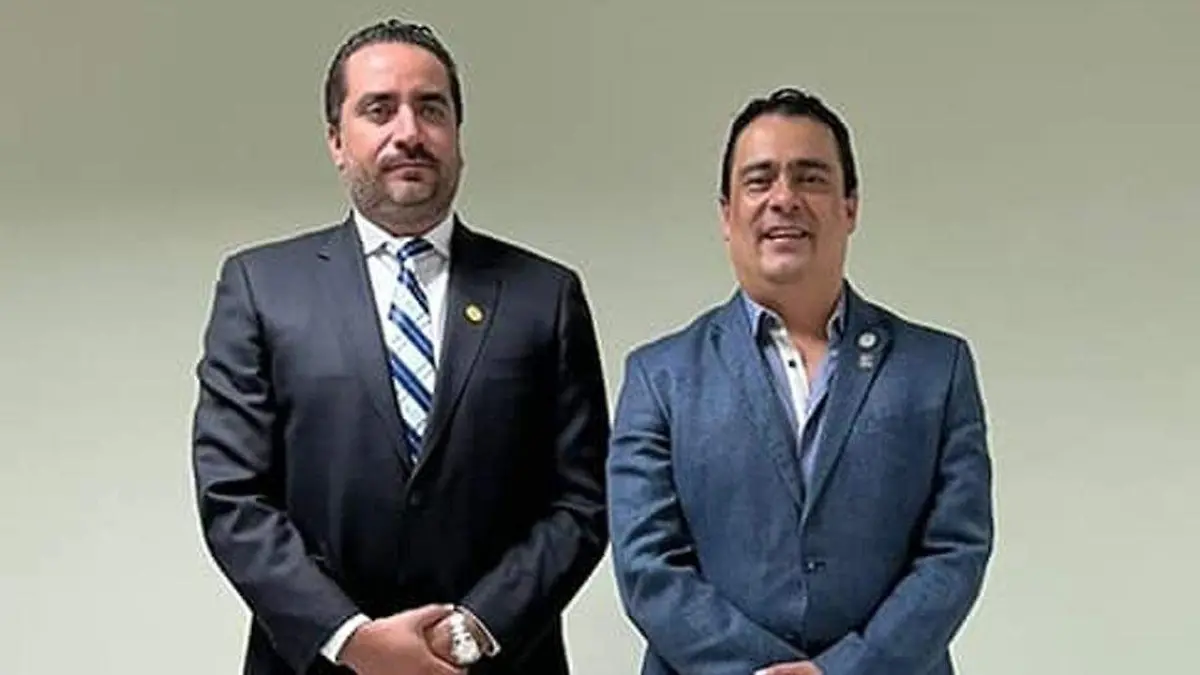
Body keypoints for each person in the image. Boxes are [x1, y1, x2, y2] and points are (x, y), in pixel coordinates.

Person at [191, 18, 610, 675]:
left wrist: (469, 633)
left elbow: (581, 502)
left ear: (458, 136)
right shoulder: (259, 288)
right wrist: (352, 639)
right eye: (379, 109)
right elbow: (233, 497)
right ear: (336, 140)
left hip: (496, 662)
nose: (408, 132)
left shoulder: (545, 296)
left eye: (431, 108)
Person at [606, 87, 994, 675]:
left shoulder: (937, 369)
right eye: (759, 180)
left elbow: (955, 553)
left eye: (810, 178)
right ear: (726, 214)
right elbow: (647, 568)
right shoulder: (660, 377)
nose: (783, 198)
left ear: (850, 207)